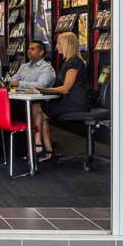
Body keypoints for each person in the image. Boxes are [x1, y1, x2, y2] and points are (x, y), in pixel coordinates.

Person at [31, 31, 92, 162]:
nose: (56, 47)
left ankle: (39, 146)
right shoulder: (69, 62)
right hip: (71, 101)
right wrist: (44, 90)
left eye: (59, 43)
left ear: (66, 45)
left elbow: (65, 89)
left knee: (38, 108)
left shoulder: (74, 62)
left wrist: (43, 90)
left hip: (76, 103)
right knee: (40, 110)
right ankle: (46, 150)